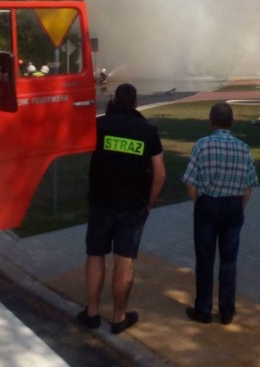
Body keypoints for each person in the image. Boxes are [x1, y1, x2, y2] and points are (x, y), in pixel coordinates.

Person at [78, 83, 166, 334]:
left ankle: (92, 313)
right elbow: (159, 174)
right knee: (124, 260)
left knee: (95, 255)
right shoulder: (148, 131)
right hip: (132, 206)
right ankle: (118, 318)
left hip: (100, 203)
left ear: (115, 100)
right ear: (136, 102)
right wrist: (149, 203)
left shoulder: (100, 125)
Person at [182, 102, 259, 326]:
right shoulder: (244, 148)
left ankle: (203, 310)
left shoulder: (201, 145)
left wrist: (201, 202)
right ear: (231, 122)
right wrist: (239, 207)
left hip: (207, 205)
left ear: (211, 121)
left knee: (205, 260)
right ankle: (226, 311)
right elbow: (249, 185)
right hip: (233, 207)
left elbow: (189, 182)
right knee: (229, 261)